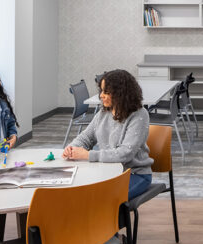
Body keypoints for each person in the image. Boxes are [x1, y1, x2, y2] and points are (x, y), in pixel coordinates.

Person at [63, 69, 153, 200]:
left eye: (106, 92)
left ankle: (114, 220)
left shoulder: (139, 115)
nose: (101, 96)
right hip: (107, 171)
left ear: (120, 93)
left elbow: (125, 153)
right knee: (79, 193)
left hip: (134, 174)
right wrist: (72, 148)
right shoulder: (103, 113)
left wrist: (88, 155)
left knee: (104, 199)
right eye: (101, 91)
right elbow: (86, 137)